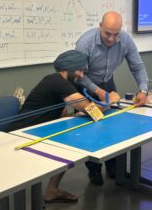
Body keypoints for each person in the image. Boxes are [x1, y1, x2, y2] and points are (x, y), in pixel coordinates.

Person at [7, 50, 120, 203]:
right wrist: (111, 100)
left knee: (67, 143)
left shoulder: (60, 82)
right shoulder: (58, 82)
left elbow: (62, 113)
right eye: (79, 70)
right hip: (18, 135)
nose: (81, 75)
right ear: (69, 69)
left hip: (37, 131)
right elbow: (94, 112)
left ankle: (52, 190)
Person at [75, 11, 149, 185]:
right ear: (100, 26)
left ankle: (113, 167)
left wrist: (143, 91)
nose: (111, 38)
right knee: (90, 128)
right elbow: (79, 75)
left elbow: (137, 67)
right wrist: (98, 91)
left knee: (114, 126)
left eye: (116, 34)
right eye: (107, 33)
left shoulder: (125, 40)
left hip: (107, 82)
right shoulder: (85, 42)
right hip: (85, 86)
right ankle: (93, 170)